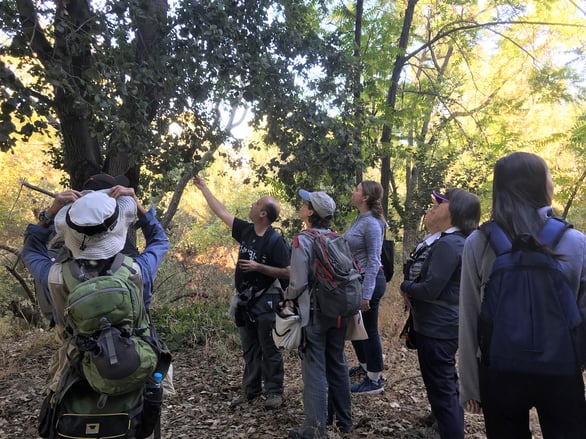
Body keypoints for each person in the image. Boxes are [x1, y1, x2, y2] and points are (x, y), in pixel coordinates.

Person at [458, 152, 586, 438]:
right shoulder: (576, 242)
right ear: (538, 184)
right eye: (549, 175)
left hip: (499, 370)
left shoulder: (480, 242)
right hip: (562, 370)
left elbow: (468, 316)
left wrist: (470, 385)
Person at [193, 175, 290, 409]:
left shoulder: (276, 241)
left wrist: (259, 267)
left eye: (256, 203)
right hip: (244, 302)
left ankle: (274, 392)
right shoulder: (246, 231)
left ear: (263, 214)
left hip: (267, 301)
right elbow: (222, 212)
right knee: (249, 349)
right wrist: (204, 187)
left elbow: (288, 272)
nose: (252, 205)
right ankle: (251, 389)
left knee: (270, 348)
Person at [400, 188, 481, 439]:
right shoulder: (457, 241)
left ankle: (450, 431)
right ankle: (440, 423)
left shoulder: (449, 244)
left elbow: (431, 288)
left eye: (440, 204)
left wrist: (405, 286)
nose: (432, 207)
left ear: (455, 212)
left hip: (437, 326)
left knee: (441, 384)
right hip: (443, 323)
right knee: (441, 380)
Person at [286, 189, 353, 438]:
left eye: (305, 204)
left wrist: (288, 301)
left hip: (313, 312)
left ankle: (314, 429)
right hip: (339, 312)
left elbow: (297, 282)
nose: (302, 205)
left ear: (311, 212)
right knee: (337, 363)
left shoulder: (303, 239)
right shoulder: (338, 238)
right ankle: (345, 421)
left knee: (314, 368)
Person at [344, 180, 387, 394]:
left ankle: (374, 379)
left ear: (365, 198)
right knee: (356, 327)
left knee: (369, 330)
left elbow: (373, 260)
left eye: (357, 189)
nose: (353, 192)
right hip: (357, 281)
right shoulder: (360, 219)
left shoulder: (371, 223)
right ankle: (364, 366)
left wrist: (366, 294)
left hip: (369, 282)